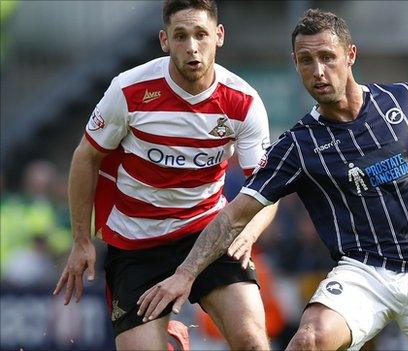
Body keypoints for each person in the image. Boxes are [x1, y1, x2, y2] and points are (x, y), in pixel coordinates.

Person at [137, 8, 408, 350]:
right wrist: (186, 273)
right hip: (366, 274)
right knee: (309, 339)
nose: (318, 71)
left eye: (327, 57)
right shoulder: (298, 146)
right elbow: (234, 214)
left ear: (350, 56)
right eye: (306, 61)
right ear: (296, 65)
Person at [53, 0, 276, 350]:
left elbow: (265, 188)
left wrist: (249, 231)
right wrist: (81, 240)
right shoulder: (129, 89)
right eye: (180, 36)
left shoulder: (243, 102)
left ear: (219, 36)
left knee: (252, 342)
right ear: (164, 40)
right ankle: (168, 334)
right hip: (137, 243)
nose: (192, 46)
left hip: (208, 232)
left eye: (201, 34)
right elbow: (86, 157)